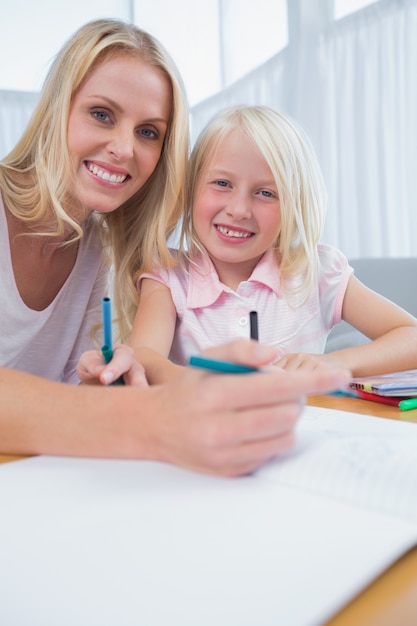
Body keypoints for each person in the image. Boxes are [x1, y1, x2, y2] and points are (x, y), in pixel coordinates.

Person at [0, 21, 349, 476]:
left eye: (149, 132)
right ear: (54, 110)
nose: (124, 148)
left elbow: (68, 399)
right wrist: (153, 415)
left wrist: (158, 385)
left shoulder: (99, 253)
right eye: (101, 114)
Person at [128, 105, 417, 384]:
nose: (239, 209)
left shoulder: (316, 272)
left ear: (293, 206)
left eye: (266, 192)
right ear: (190, 189)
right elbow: (143, 359)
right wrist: (196, 382)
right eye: (222, 184)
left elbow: (410, 337)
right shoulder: (167, 276)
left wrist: (338, 362)